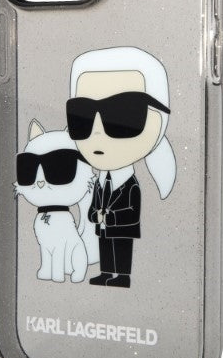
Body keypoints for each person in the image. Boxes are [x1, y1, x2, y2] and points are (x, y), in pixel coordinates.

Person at [66, 46, 176, 288]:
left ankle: (122, 276)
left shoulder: (130, 184)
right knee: (105, 247)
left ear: (159, 121)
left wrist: (110, 216)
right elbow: (95, 204)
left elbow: (132, 210)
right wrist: (95, 215)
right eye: (81, 115)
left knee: (122, 250)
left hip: (122, 228)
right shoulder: (100, 181)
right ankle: (107, 273)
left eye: (123, 114)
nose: (97, 131)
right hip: (104, 227)